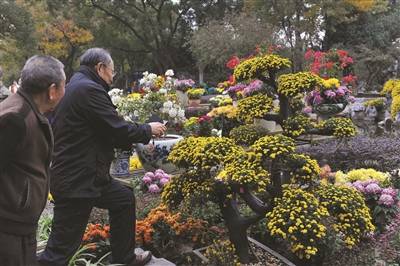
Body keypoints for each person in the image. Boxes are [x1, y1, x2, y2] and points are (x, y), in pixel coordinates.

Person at [38, 48, 166, 266]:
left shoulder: (77, 87)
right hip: (77, 181)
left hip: (88, 176)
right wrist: (147, 129)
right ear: (100, 68)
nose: (113, 76)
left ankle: (124, 256)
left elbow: (104, 128)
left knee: (123, 199)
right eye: (112, 71)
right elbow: (115, 129)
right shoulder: (88, 90)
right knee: (59, 252)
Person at [0, 55, 66, 266]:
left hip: (19, 228)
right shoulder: (16, 118)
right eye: (65, 86)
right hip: (8, 232)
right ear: (53, 90)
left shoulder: (28, 111)